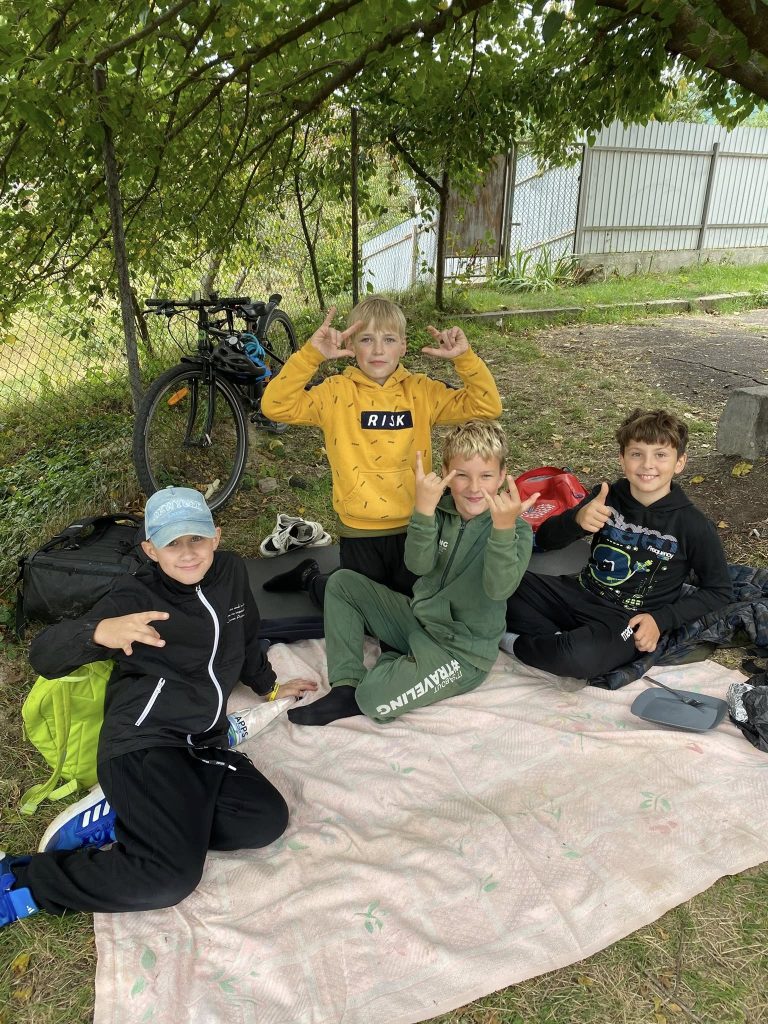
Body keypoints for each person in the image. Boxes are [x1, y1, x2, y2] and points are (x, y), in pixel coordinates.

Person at [1, 486, 316, 929]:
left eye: (196, 538)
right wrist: (98, 632)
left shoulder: (230, 572)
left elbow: (247, 637)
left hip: (203, 742)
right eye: (171, 543)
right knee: (168, 878)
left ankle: (135, 815)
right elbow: (44, 656)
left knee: (264, 820)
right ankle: (22, 882)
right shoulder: (134, 597)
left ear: (216, 536)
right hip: (144, 741)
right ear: (151, 550)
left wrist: (269, 687)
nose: (187, 553)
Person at [287, 421, 536, 726]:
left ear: (502, 475)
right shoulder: (440, 510)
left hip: (461, 652)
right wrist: (424, 511)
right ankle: (345, 686)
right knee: (341, 583)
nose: (474, 488)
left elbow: (499, 589)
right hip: (418, 623)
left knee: (372, 699)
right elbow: (418, 565)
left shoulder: (516, 529)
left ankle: (394, 668)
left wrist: (502, 530)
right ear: (445, 472)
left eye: (485, 476)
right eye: (462, 475)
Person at [259, 295, 502, 603]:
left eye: (388, 339)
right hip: (360, 529)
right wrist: (310, 357)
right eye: (366, 339)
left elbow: (487, 406)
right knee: (360, 606)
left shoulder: (422, 392)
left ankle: (330, 582)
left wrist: (464, 359)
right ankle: (311, 578)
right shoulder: (335, 393)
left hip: (416, 525)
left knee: (410, 606)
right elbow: (274, 406)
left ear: (403, 346)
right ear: (351, 345)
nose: (377, 350)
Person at [503, 408, 733, 682]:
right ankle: (554, 641)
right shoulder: (607, 496)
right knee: (497, 585)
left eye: (660, 455)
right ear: (622, 459)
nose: (647, 464)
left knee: (577, 658)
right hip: (578, 591)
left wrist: (661, 620)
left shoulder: (693, 524)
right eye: (637, 454)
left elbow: (719, 590)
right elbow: (545, 539)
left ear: (679, 462)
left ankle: (513, 643)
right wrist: (576, 520)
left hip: (626, 619)